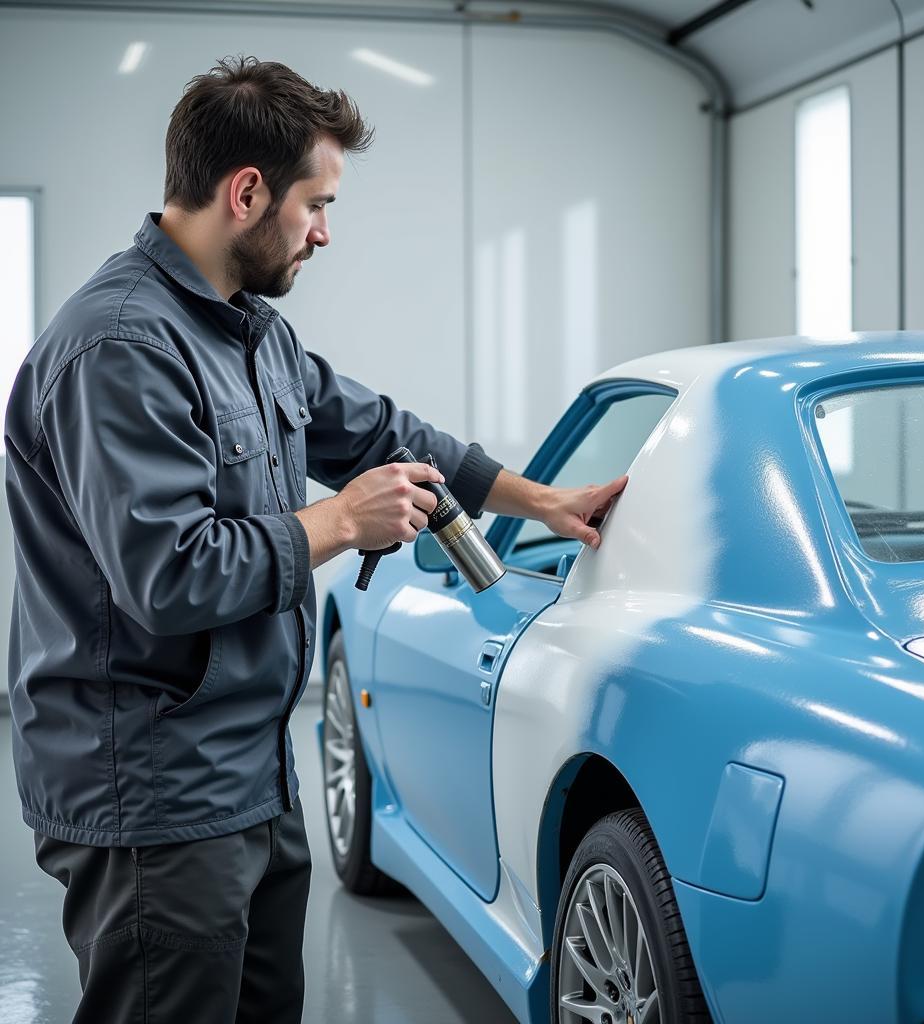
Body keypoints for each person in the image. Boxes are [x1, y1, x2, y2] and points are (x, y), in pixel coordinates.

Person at [3, 55, 627, 1023]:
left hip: (250, 765)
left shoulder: (251, 333)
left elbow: (382, 431)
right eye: (315, 204)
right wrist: (341, 520)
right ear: (246, 192)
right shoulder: (119, 344)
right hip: (154, 792)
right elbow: (169, 575)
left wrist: (537, 500)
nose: (325, 233)